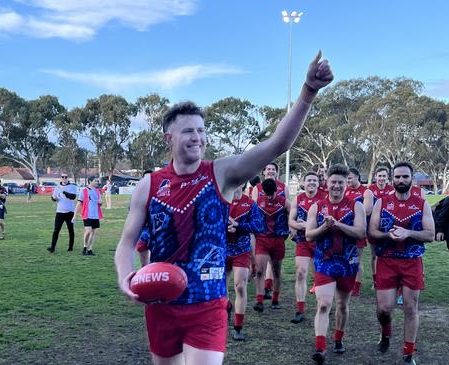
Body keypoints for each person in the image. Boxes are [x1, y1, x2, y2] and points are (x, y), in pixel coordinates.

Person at [114, 50, 333, 365]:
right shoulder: (148, 185)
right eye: (189, 130)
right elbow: (126, 242)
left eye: (201, 130)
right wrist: (125, 276)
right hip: (161, 305)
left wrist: (308, 93)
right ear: (168, 138)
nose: (197, 137)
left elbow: (276, 145)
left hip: (208, 306)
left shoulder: (221, 173)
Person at [368, 162, 435, 365]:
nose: (401, 180)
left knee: (410, 307)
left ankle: (408, 354)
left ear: (411, 179)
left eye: (405, 177)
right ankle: (386, 333)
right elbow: (372, 232)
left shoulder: (421, 204)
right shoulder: (382, 202)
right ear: (392, 179)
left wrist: (409, 233)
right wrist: (388, 235)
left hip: (411, 261)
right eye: (397, 177)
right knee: (384, 310)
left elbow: (430, 234)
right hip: (386, 261)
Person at [305, 164, 365, 364]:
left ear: (346, 183)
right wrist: (325, 226)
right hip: (325, 262)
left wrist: (338, 225)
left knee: (342, 305)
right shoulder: (317, 206)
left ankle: (338, 338)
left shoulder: (356, 205)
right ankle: (320, 348)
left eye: (341, 182)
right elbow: (308, 235)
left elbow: (360, 233)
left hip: (347, 262)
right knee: (324, 304)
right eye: (333, 182)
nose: (337, 186)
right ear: (327, 182)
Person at [226, 183, 266, 340]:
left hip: (241, 251)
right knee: (221, 291)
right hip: (222, 250)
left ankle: (238, 327)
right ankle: (227, 306)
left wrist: (238, 226)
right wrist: (225, 227)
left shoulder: (250, 203)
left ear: (243, 183)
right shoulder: (221, 201)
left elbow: (259, 226)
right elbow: (208, 224)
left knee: (240, 286)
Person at [288, 171, 325, 323]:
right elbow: (291, 220)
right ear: (303, 183)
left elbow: (329, 221)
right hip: (303, 241)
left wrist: (310, 227)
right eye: (309, 180)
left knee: (320, 277)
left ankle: (322, 307)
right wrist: (300, 227)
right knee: (301, 273)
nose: (311, 183)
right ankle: (300, 309)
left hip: (320, 241)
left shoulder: (324, 198)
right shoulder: (298, 198)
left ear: (318, 183)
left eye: (314, 180)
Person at [251, 162, 288, 299]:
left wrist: (288, 227)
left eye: (273, 169)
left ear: (276, 172)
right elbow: (254, 209)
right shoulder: (257, 188)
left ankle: (271, 291)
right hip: (262, 233)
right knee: (261, 263)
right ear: (263, 172)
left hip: (278, 232)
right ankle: (263, 290)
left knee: (275, 266)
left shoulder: (283, 187)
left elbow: (288, 209)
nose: (271, 171)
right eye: (268, 169)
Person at [345, 168, 374, 296]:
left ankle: (356, 287)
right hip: (344, 230)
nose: (347, 180)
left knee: (356, 259)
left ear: (357, 177)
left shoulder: (366, 192)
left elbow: (367, 210)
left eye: (350, 177)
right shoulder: (344, 190)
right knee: (345, 258)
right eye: (346, 178)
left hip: (358, 230)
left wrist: (347, 214)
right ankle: (346, 282)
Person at [368, 166, 394, 288]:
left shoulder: (393, 190)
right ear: (375, 177)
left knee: (388, 254)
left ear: (387, 177)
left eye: (384, 176)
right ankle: (376, 281)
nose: (382, 178)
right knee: (374, 255)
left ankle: (389, 279)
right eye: (380, 176)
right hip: (373, 226)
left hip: (388, 227)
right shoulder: (370, 190)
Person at [47, 173, 77, 253]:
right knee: (56, 230)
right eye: (62, 177)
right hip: (60, 211)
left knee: (70, 230)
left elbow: (73, 197)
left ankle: (70, 247)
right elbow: (54, 198)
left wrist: (64, 192)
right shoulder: (57, 188)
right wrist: (53, 198)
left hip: (70, 212)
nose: (64, 178)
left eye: (65, 177)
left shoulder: (72, 187)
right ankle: (52, 247)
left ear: (68, 178)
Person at [75, 176, 103, 256]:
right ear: (90, 181)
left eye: (97, 181)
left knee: (93, 232)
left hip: (95, 215)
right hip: (87, 214)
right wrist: (75, 215)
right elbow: (79, 203)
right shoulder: (84, 191)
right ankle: (84, 247)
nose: (97, 182)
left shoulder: (97, 191)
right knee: (88, 231)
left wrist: (100, 203)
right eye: (95, 181)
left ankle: (90, 249)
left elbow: (99, 202)